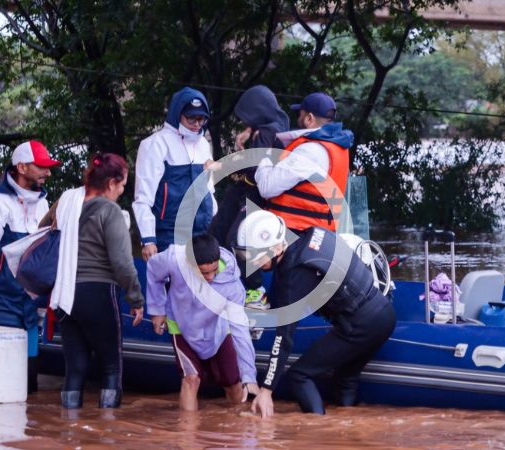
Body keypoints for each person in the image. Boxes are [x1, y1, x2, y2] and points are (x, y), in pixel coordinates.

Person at [236, 210, 396, 417]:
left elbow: (283, 339)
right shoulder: (314, 234)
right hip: (384, 312)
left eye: (256, 258)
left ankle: (318, 427)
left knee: (299, 375)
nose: (253, 264)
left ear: (276, 248)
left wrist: (266, 390)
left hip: (360, 325)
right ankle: (348, 428)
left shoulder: (293, 276)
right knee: (345, 378)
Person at [43, 153, 144, 409]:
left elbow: (42, 232)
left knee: (75, 368)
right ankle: (107, 428)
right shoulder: (110, 211)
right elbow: (122, 264)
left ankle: (70, 425)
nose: (121, 191)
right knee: (111, 366)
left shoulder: (66, 202)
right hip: (98, 294)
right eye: (122, 186)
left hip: (64, 295)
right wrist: (135, 298)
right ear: (111, 183)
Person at [0, 140, 61, 394]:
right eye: (41, 167)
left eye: (49, 167)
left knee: (29, 383)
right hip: (0, 303)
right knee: (0, 381)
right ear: (21, 167)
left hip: (30, 304)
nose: (47, 173)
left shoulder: (42, 203)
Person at [146, 233, 259, 411]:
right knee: (191, 379)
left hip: (218, 329)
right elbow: (153, 268)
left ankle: (238, 424)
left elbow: (240, 330)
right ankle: (187, 429)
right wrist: (157, 309)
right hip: (181, 326)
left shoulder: (233, 286)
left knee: (232, 383)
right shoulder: (174, 259)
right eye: (204, 273)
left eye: (214, 270)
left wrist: (249, 377)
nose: (211, 277)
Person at [208, 85, 289, 309]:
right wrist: (247, 136)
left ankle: (256, 291)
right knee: (217, 233)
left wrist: (222, 165)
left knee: (238, 239)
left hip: (255, 194)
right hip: (244, 190)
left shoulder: (267, 132)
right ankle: (225, 283)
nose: (245, 121)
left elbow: (254, 164)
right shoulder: (276, 124)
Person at [133, 86, 217, 260]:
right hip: (169, 234)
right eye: (191, 118)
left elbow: (209, 189)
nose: (197, 124)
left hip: (203, 233)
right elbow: (143, 198)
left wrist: (215, 222)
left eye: (201, 119)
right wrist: (148, 240)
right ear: (177, 114)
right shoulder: (155, 144)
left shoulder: (203, 144)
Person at [255, 92, 353, 233]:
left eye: (299, 115)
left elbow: (266, 187)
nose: (297, 120)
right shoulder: (338, 147)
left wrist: (265, 153)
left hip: (296, 234)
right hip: (322, 233)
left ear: (309, 119)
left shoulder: (310, 151)